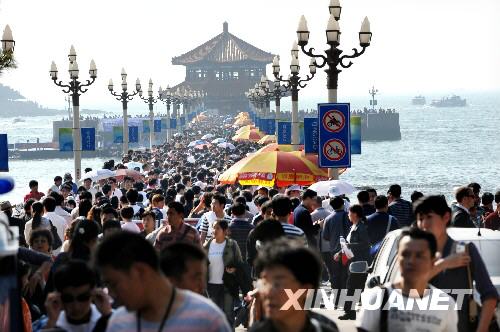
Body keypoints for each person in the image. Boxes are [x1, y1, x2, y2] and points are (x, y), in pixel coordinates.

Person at [95, 231, 231, 331]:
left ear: (140, 271)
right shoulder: (118, 323)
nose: (111, 294)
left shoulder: (208, 320)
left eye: (113, 284)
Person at [414, 195, 498, 331]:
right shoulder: (414, 253)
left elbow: (490, 294)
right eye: (420, 219)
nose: (423, 224)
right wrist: (443, 264)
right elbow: (406, 289)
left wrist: (481, 329)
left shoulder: (466, 250)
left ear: (446, 217)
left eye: (429, 217)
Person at [356, 228, 458, 332]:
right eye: (405, 254)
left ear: (432, 261)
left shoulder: (446, 304)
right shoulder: (378, 298)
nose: (411, 261)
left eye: (419, 256)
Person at [250, 238, 338, 332]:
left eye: (278, 284)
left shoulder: (324, 328)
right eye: (264, 283)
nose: (268, 292)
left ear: (306, 289)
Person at [40, 260, 112, 331]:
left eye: (83, 298)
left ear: (94, 294)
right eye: (68, 299)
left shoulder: (113, 319)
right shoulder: (46, 323)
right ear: (58, 296)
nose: (76, 307)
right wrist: (51, 323)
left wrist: (107, 317)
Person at [205, 219, 250, 328]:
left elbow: (240, 264)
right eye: (213, 227)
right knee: (212, 316)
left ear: (225, 230)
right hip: (211, 286)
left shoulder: (232, 244)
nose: (214, 230)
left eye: (217, 228)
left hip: (228, 285)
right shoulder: (208, 244)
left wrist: (234, 269)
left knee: (228, 315)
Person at [334, 204, 370, 320]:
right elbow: (347, 245)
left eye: (349, 213)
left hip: (359, 261)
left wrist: (349, 245)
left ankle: (349, 312)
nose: (348, 215)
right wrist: (339, 253)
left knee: (352, 286)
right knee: (352, 286)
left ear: (354, 214)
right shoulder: (353, 227)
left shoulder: (361, 227)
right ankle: (350, 312)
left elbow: (365, 244)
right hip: (352, 261)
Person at [323, 196, 351, 291]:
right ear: (343, 204)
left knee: (335, 274)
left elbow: (325, 237)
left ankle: (336, 295)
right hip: (347, 250)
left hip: (334, 251)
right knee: (346, 274)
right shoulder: (348, 216)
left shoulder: (328, 219)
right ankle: (345, 295)